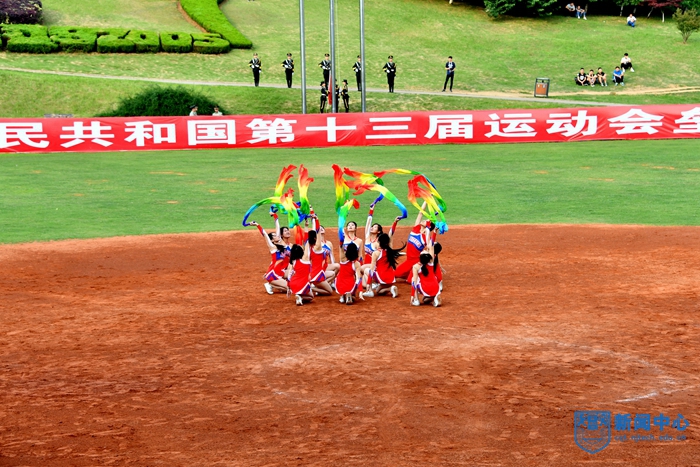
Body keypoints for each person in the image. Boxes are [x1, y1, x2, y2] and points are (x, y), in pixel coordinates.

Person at [249, 221, 289, 295]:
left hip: (282, 271)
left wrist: (275, 217)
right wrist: (257, 224)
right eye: (274, 236)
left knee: (294, 278)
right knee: (291, 288)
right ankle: (271, 284)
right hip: (274, 274)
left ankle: (272, 285)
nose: (277, 236)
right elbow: (265, 234)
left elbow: (277, 227)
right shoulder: (273, 248)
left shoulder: (282, 245)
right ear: (272, 240)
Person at [360, 233, 403, 299]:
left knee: (366, 270)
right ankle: (391, 288)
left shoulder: (376, 253)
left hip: (382, 277)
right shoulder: (389, 251)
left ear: (379, 242)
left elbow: (371, 269)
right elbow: (391, 235)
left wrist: (368, 283)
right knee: (378, 292)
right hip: (391, 278)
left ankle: (369, 291)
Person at [410, 240, 441, 307]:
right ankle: (434, 299)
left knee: (413, 279)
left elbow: (414, 283)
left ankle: (416, 300)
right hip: (436, 288)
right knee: (425, 300)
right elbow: (432, 246)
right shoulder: (431, 262)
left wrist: (412, 295)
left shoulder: (416, 267)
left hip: (426, 288)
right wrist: (434, 234)